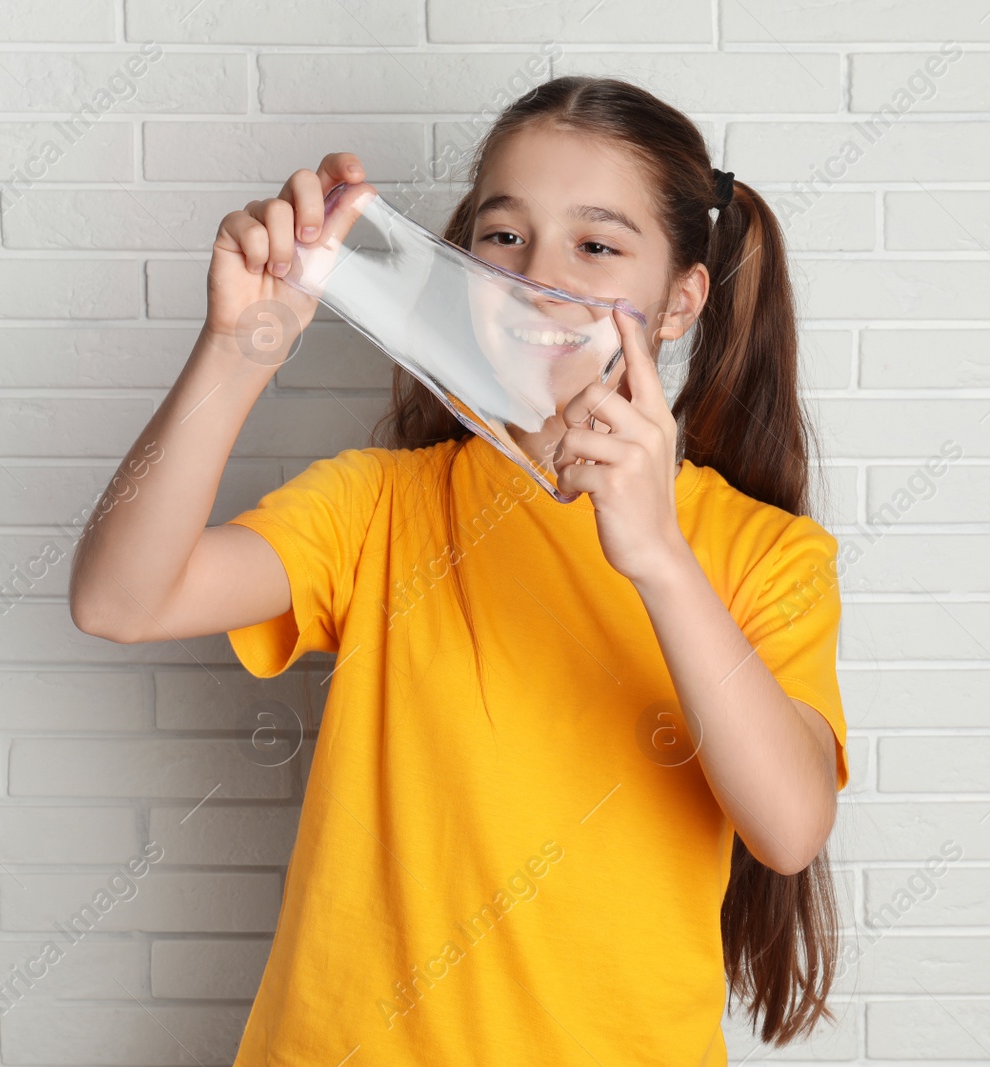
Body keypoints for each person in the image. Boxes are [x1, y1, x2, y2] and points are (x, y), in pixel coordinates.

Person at [69, 74, 848, 1066]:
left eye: (597, 244)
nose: (535, 276)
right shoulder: (377, 507)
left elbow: (788, 827)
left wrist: (655, 556)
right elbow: (118, 599)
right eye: (502, 235)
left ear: (680, 300)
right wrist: (240, 344)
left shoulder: (763, 554)